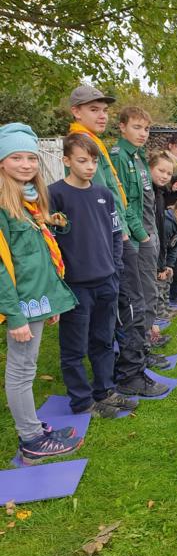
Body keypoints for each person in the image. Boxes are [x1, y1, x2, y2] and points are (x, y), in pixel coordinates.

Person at [68, 86, 166, 397]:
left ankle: (134, 367)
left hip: (121, 238)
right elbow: (101, 202)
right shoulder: (85, 148)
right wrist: (125, 235)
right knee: (129, 309)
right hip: (114, 242)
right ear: (76, 112)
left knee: (132, 306)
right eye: (93, 109)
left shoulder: (94, 144)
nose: (102, 115)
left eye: (104, 110)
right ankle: (130, 375)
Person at [0, 123, 83, 463]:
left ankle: (33, 426)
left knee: (28, 367)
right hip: (19, 303)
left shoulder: (29, 200)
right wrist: (15, 314)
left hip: (37, 298)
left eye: (31, 158)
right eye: (16, 157)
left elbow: (37, 258)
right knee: (21, 370)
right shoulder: (4, 205)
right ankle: (31, 439)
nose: (26, 164)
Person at [49, 134, 137, 417]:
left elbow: (115, 234)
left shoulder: (104, 193)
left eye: (94, 161)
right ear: (66, 161)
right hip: (76, 286)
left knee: (102, 341)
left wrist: (115, 268)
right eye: (82, 160)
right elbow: (49, 240)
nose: (89, 166)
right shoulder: (55, 195)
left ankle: (104, 391)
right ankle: (82, 401)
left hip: (106, 281)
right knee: (74, 347)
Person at [110, 107, 168, 368]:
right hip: (137, 238)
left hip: (148, 233)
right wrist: (143, 236)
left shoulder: (139, 157)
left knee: (148, 292)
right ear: (122, 126)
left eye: (146, 128)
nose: (143, 133)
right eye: (136, 127)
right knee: (140, 297)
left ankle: (144, 344)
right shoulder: (119, 157)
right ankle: (139, 351)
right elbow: (124, 204)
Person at [148, 150, 177, 323]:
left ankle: (159, 312)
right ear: (150, 168)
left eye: (169, 173)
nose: (165, 176)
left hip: (156, 247)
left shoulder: (160, 194)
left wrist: (163, 263)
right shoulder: (148, 193)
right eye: (161, 171)